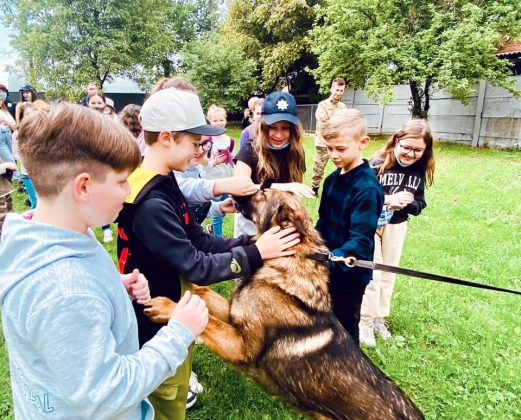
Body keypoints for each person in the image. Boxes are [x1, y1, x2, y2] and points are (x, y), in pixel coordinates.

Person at [0, 102, 209, 419]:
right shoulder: (67, 293)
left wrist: (113, 285)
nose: (128, 192)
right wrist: (179, 332)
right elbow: (106, 394)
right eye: (122, 181)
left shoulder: (53, 233)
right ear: (83, 186)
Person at [116, 88, 300, 420]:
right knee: (166, 401)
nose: (201, 151)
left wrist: (257, 245)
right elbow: (197, 266)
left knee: (177, 378)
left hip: (177, 311)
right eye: (196, 142)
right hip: (155, 324)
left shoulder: (164, 180)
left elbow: (198, 239)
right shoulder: (151, 203)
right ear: (169, 138)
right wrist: (257, 253)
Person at [359, 119, 436, 347]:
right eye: (406, 147)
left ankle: (379, 318)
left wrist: (410, 204)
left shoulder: (419, 170)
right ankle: (364, 320)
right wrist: (387, 199)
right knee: (373, 272)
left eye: (418, 150)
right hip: (371, 225)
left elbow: (420, 203)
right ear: (396, 142)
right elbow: (361, 196)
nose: (411, 154)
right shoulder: (376, 165)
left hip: (397, 225)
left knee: (389, 272)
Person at [315, 108, 384, 345]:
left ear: (362, 142)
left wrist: (330, 258)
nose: (333, 155)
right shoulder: (332, 180)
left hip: (350, 275)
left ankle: (352, 373)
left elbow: (361, 241)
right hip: (325, 267)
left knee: (345, 329)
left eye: (340, 149)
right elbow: (323, 222)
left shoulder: (367, 188)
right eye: (329, 148)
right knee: (324, 323)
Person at [234, 91, 315, 236]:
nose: (279, 134)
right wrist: (280, 187)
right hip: (251, 223)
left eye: (285, 128)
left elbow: (295, 195)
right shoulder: (249, 149)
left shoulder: (297, 152)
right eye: (273, 127)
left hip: (281, 225)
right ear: (264, 125)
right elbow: (237, 190)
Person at [311, 78, 347, 195]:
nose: (339, 93)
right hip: (323, 143)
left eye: (341, 91)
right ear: (332, 89)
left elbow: (346, 123)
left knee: (343, 165)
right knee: (318, 168)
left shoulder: (343, 107)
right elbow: (324, 123)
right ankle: (314, 189)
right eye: (337, 90)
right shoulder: (323, 105)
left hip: (338, 143)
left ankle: (342, 188)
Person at [86, 90, 114, 242]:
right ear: (87, 103)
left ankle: (106, 228)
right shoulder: (82, 122)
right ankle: (84, 227)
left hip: (104, 164)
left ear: (105, 104)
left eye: (99, 102)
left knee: (102, 196)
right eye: (93, 103)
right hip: (86, 164)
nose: (96, 106)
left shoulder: (109, 122)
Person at [204, 104, 235, 236]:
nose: (218, 123)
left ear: (225, 120)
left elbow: (231, 162)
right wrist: (214, 162)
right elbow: (202, 163)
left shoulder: (230, 141)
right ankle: (218, 241)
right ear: (209, 121)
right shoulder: (207, 140)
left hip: (226, 180)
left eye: (221, 120)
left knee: (225, 208)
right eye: (215, 120)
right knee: (217, 214)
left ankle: (211, 228)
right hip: (212, 181)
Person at [0, 157, 16, 237]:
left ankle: (12, 234)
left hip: (4, 188)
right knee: (2, 220)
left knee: (10, 215)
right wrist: (5, 166)